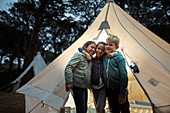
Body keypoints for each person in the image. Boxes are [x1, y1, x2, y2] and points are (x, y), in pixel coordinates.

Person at [78, 42, 116, 113]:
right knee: (97, 108)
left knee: (99, 108)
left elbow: (117, 52)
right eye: (98, 49)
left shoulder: (105, 59)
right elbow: (80, 48)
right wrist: (86, 53)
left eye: (102, 50)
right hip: (94, 87)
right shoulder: (92, 60)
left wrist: (113, 53)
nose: (100, 51)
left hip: (103, 87)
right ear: (95, 49)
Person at [65, 41, 96, 113]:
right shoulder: (79, 55)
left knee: (84, 109)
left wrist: (86, 54)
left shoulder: (91, 59)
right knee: (81, 110)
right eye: (91, 47)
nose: (93, 50)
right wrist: (69, 82)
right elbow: (69, 67)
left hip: (84, 87)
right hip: (77, 86)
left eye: (95, 48)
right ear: (85, 47)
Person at [103, 34, 130, 113]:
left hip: (118, 89)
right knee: (114, 109)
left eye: (111, 45)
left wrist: (122, 93)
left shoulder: (119, 58)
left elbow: (124, 76)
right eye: (106, 44)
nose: (107, 46)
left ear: (117, 47)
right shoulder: (104, 56)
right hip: (109, 90)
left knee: (124, 109)